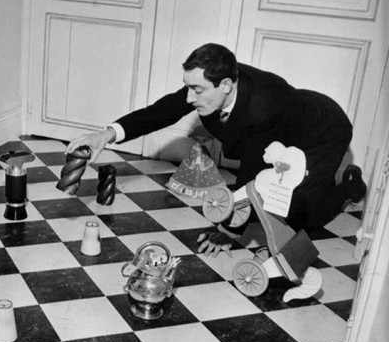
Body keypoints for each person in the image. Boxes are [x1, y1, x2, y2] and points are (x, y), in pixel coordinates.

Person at [66, 43, 366, 257]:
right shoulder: (210, 82)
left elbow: (252, 177)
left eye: (197, 90)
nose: (189, 97)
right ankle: (322, 186)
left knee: (302, 217)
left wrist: (228, 233)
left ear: (225, 85)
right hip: (289, 123)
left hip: (323, 131)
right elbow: (160, 112)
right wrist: (105, 135)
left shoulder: (264, 107)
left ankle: (350, 186)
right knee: (272, 200)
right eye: (188, 87)